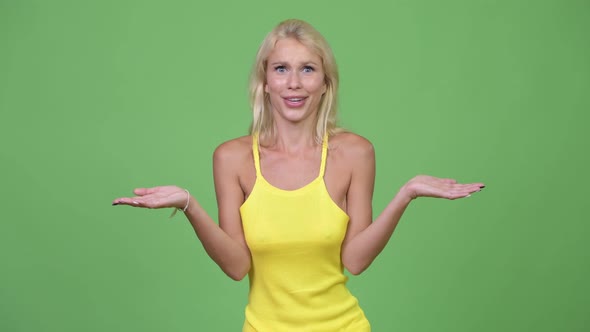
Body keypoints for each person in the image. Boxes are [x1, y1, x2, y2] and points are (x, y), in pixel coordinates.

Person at [112, 19, 485, 331]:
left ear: (325, 83)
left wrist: (407, 194)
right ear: (265, 82)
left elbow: (354, 259)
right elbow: (237, 266)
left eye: (307, 69)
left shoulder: (356, 153)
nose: (294, 83)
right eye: (281, 69)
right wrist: (189, 205)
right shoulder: (231, 158)